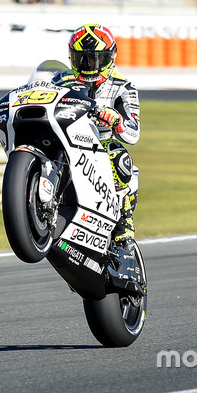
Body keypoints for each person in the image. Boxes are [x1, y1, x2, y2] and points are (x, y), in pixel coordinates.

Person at [54, 24, 141, 245]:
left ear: (109, 57)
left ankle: (124, 227)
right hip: (67, 140)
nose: (87, 65)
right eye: (81, 59)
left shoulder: (123, 87)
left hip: (100, 147)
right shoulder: (61, 80)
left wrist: (116, 120)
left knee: (120, 158)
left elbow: (133, 133)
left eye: (94, 59)